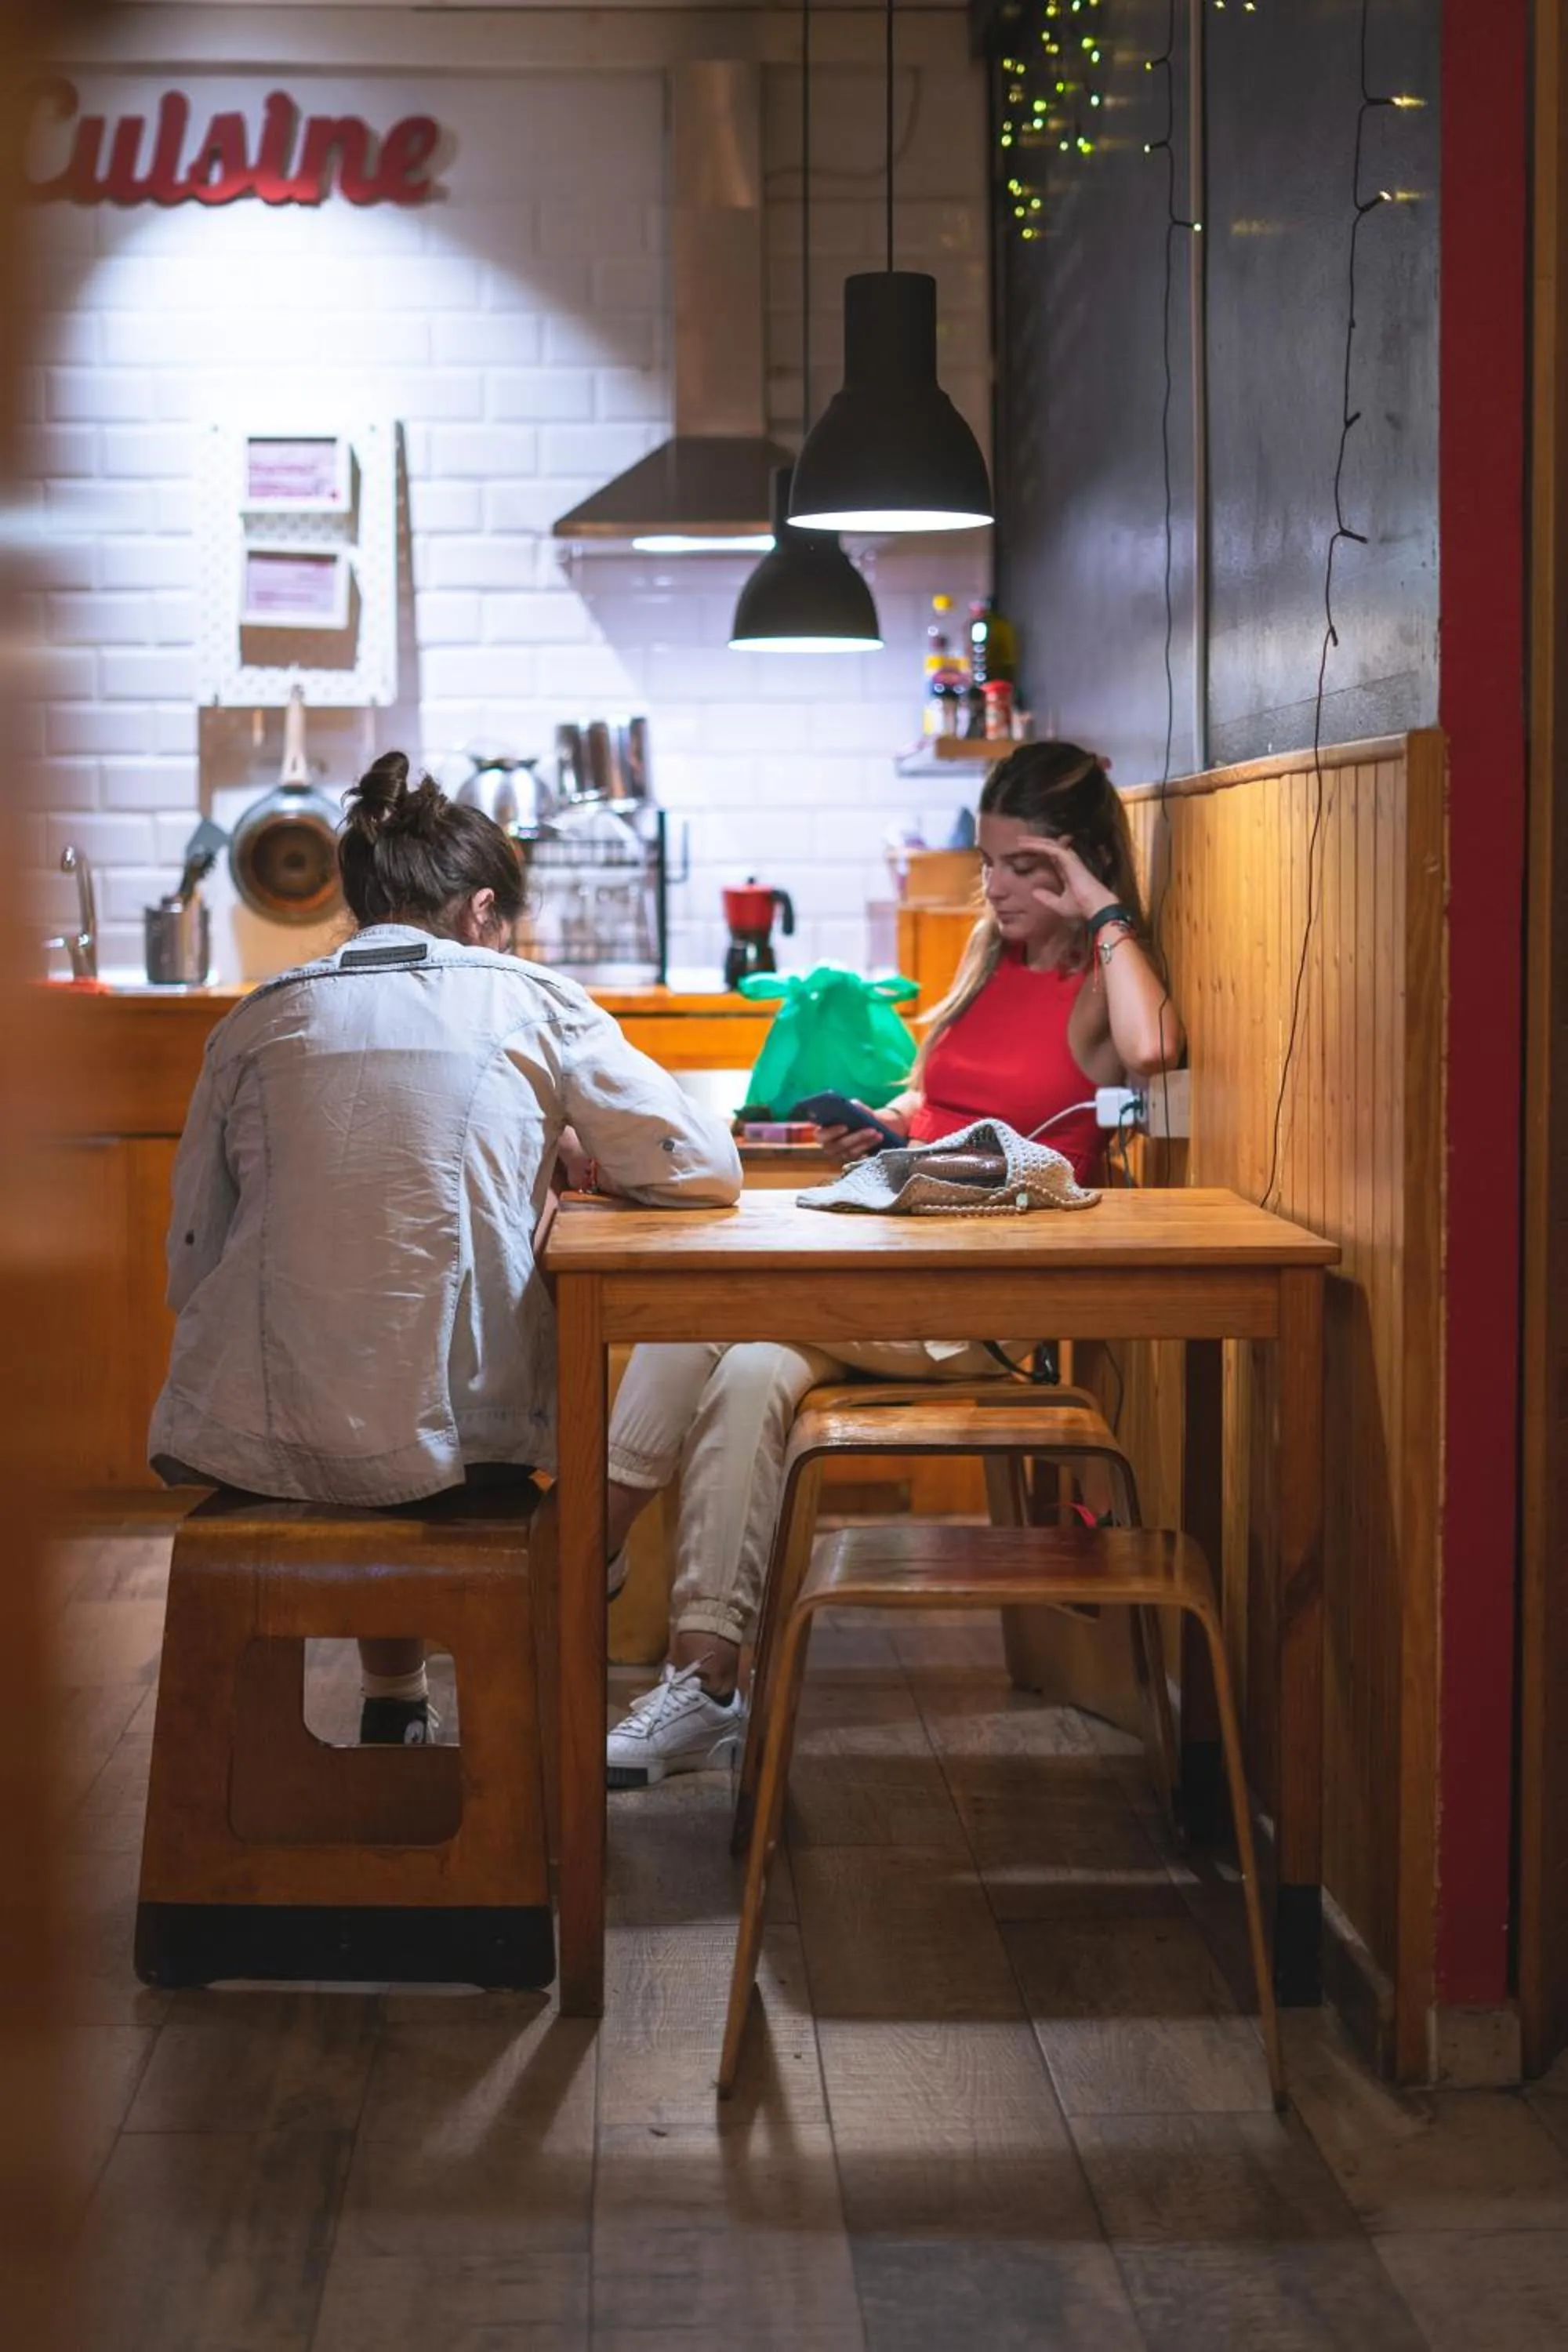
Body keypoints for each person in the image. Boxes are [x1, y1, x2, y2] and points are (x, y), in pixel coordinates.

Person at [601, 740, 1184, 1787]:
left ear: (1080, 860)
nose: (996, 886)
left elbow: (1151, 1051)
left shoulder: (1098, 983)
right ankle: (706, 1683)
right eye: (990, 862)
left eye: (1024, 864)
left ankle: (580, 1544)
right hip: (887, 1266)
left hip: (976, 1312)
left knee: (708, 1302)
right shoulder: (990, 961)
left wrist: (1097, 902)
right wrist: (888, 1127)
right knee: (745, 1366)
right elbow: (938, 1096)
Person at [150, 752, 741, 1744]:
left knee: (363, 1373)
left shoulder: (256, 1018)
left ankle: (395, 1707)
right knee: (424, 1407)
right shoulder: (531, 1000)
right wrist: (574, 1143)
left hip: (251, 1440)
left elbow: (190, 1257)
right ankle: (514, 1708)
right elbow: (699, 1166)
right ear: (480, 910)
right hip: (465, 1448)